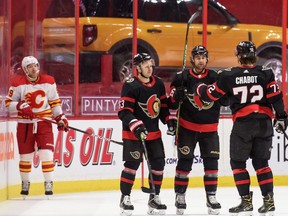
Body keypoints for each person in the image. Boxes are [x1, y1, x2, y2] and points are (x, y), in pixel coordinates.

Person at [193, 41, 288, 215]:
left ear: (238, 56)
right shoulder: (266, 72)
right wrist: (281, 117)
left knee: (237, 163)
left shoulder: (229, 75)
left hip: (243, 125)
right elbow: (276, 96)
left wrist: (199, 88)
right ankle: (269, 201)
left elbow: (210, 95)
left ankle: (246, 202)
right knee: (262, 164)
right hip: (264, 123)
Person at [167, 45, 228, 215]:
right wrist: (176, 95)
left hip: (209, 129)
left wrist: (226, 97)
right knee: (184, 163)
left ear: (207, 59)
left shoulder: (216, 77)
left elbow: (225, 101)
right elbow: (170, 103)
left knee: (211, 163)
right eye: (198, 57)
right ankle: (180, 196)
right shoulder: (181, 77)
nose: (201, 60)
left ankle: (211, 196)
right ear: (192, 59)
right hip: (187, 128)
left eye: (203, 57)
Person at [118, 53, 177, 216]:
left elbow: (162, 105)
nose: (150, 68)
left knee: (158, 166)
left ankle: (154, 197)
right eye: (146, 66)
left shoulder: (158, 83)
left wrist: (169, 120)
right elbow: (123, 111)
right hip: (133, 135)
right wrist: (136, 125)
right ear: (137, 68)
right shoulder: (130, 85)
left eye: (151, 65)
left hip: (154, 134)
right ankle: (125, 198)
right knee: (131, 167)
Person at [5, 56, 69, 198]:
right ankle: (25, 182)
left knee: (46, 154)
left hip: (44, 123)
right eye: (30, 67)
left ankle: (48, 183)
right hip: (24, 125)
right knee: (25, 157)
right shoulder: (18, 83)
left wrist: (60, 117)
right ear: (25, 70)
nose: (34, 69)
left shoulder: (49, 81)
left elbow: (54, 102)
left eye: (35, 65)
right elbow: (8, 103)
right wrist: (20, 105)